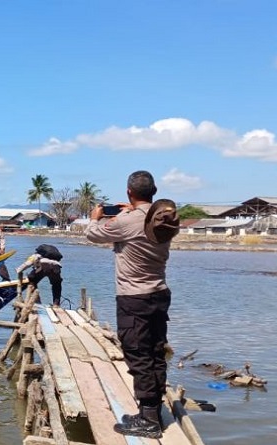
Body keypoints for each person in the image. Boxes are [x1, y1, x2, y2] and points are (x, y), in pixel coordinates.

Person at [84, 170, 180, 439]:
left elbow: (94, 235)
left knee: (137, 354)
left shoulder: (127, 221)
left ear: (129, 193)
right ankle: (152, 410)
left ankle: (149, 421)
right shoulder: (164, 219)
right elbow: (143, 220)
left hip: (133, 297)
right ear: (155, 191)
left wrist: (95, 218)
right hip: (159, 293)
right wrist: (134, 211)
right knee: (155, 351)